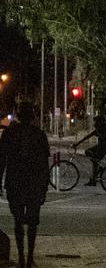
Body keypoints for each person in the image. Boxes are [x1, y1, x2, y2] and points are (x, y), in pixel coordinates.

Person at [0, 102, 50, 268]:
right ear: (33, 116)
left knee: (18, 221)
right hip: (34, 183)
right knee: (33, 223)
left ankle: (22, 257)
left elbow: (2, 160)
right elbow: (44, 164)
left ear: (18, 115)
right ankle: (29, 257)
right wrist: (44, 186)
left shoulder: (9, 133)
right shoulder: (39, 135)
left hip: (15, 182)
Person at [73, 115, 106, 186]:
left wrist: (97, 130)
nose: (95, 123)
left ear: (100, 122)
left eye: (96, 122)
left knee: (95, 161)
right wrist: (77, 144)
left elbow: (105, 138)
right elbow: (88, 136)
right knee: (88, 151)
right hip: (100, 146)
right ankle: (97, 168)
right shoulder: (99, 128)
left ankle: (93, 179)